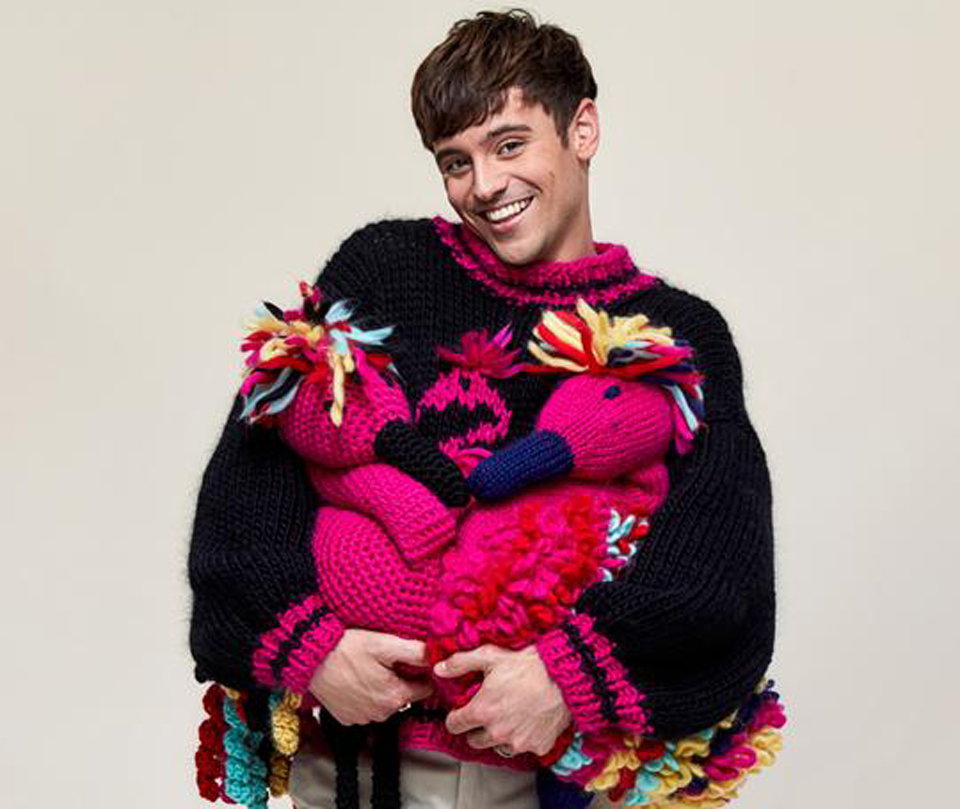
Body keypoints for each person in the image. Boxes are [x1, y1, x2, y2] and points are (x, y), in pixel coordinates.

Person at [188, 9, 785, 809]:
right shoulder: (385, 271)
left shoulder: (674, 337)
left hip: (572, 773)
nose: (486, 185)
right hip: (373, 766)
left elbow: (722, 568)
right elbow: (254, 475)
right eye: (456, 161)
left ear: (582, 129)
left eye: (509, 145)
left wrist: (567, 676)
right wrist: (314, 649)